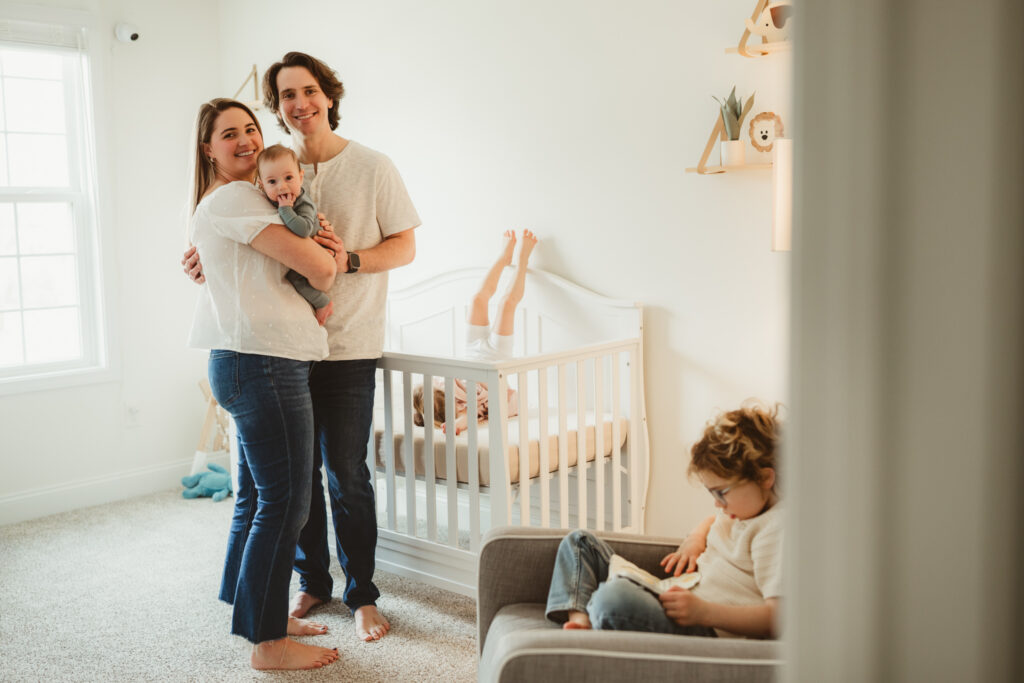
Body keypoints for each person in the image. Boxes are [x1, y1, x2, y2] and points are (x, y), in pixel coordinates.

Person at [183, 52, 420, 642]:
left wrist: (349, 260)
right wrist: (202, 259)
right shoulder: (263, 170)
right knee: (295, 483)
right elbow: (236, 239)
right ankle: (312, 581)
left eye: (309, 90)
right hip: (282, 350)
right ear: (278, 107)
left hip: (348, 342)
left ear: (328, 96)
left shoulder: (372, 166)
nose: (300, 103)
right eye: (286, 95)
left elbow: (405, 246)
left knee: (346, 474)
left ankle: (362, 595)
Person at [187, 97, 345, 670]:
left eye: (251, 128)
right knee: (286, 502)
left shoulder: (246, 198)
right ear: (209, 149)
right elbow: (321, 269)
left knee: (259, 496)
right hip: (262, 363)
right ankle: (267, 644)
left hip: (251, 360)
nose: (246, 140)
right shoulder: (235, 198)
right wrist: (325, 255)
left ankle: (256, 611)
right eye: (229, 133)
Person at [545, 400, 783, 639]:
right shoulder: (741, 508)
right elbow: (714, 520)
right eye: (712, 493)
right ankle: (580, 621)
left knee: (614, 598)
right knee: (579, 542)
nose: (717, 503)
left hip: (704, 626)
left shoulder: (776, 530)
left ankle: (598, 617)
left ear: (765, 478)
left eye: (721, 492)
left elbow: (778, 618)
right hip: (674, 594)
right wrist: (695, 539)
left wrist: (704, 613)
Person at [411, 229, 537, 434]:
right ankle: (523, 259)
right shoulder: (462, 411)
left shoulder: (438, 388)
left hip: (471, 354)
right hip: (496, 360)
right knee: (506, 304)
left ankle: (504, 258)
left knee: (477, 300)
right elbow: (466, 419)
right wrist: (457, 425)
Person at [257, 144, 333, 325]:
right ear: (261, 185)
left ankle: (323, 303)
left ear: (300, 177)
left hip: (317, 251)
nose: (282, 187)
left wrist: (285, 210)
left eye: (289, 178)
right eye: (272, 182)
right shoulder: (268, 199)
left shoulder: (303, 203)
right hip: (296, 252)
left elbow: (304, 230)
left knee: (295, 279)